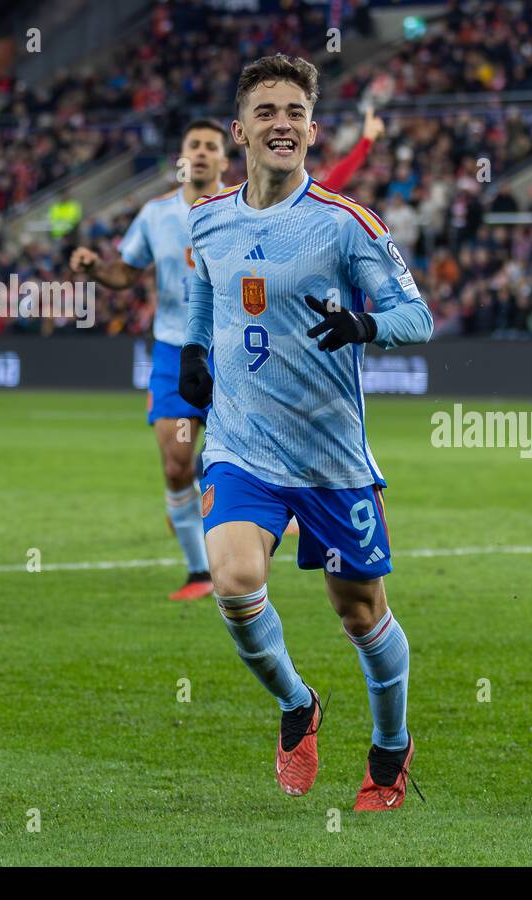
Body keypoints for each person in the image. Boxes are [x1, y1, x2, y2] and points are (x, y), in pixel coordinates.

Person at [179, 54, 432, 810]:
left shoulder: (346, 225)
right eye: (267, 112)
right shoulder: (209, 218)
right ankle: (297, 704)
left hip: (329, 458)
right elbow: (202, 287)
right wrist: (195, 351)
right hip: (240, 447)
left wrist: (363, 323)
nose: (282, 124)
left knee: (360, 613)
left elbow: (417, 319)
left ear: (313, 130)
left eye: (294, 112)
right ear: (241, 131)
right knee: (233, 581)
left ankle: (390, 749)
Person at [69, 119, 229, 599]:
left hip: (232, 350)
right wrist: (97, 269)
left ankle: (241, 557)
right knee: (177, 464)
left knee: (240, 461)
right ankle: (200, 572)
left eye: (210, 147)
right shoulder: (156, 214)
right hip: (173, 352)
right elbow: (125, 272)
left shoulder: (241, 209)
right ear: (182, 156)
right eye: (193, 145)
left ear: (225, 159)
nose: (201, 153)